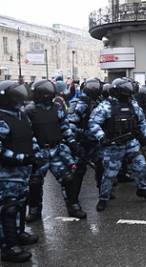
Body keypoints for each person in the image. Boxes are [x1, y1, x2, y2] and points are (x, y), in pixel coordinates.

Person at [88, 78, 146, 212]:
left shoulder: (133, 105)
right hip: (114, 145)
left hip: (131, 143)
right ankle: (103, 198)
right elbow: (93, 123)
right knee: (110, 174)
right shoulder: (106, 106)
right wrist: (102, 137)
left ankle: (142, 189)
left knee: (141, 166)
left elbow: (142, 121)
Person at [25, 80, 86, 222]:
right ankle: (34, 210)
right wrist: (34, 153)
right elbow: (28, 134)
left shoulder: (57, 108)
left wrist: (73, 145)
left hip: (56, 150)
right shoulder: (29, 110)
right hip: (39, 152)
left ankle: (73, 206)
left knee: (68, 179)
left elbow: (65, 128)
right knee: (35, 182)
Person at [0, 81, 40, 263]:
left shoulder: (20, 115)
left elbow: (29, 137)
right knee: (8, 208)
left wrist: (35, 155)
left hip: (22, 171)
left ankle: (18, 233)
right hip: (6, 173)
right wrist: (20, 158)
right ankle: (8, 247)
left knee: (21, 203)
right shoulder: (1, 119)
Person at [68, 78, 104, 203]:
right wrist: (75, 144)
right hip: (82, 142)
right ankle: (73, 200)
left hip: (95, 142)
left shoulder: (98, 102)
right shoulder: (78, 103)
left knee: (101, 166)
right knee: (79, 171)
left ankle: (103, 194)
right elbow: (70, 125)